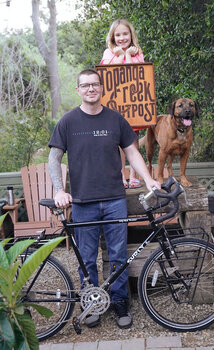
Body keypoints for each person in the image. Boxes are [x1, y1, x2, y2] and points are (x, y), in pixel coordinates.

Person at [48, 68, 160, 329]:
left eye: (95, 85)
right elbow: (54, 158)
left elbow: (132, 153)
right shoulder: (68, 122)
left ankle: (120, 301)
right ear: (78, 90)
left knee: (118, 255)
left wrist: (148, 179)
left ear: (101, 88)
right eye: (85, 85)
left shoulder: (115, 120)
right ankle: (92, 304)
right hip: (83, 202)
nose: (90, 89)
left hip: (114, 200)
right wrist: (58, 190)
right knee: (87, 258)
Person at [100, 19, 145, 189]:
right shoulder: (108, 53)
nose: (122, 38)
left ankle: (134, 176)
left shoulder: (137, 53)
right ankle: (121, 176)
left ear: (131, 35)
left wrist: (128, 55)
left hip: (133, 104)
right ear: (112, 37)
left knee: (133, 141)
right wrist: (120, 56)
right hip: (116, 106)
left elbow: (138, 73)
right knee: (118, 143)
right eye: (118, 35)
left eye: (125, 34)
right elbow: (108, 72)